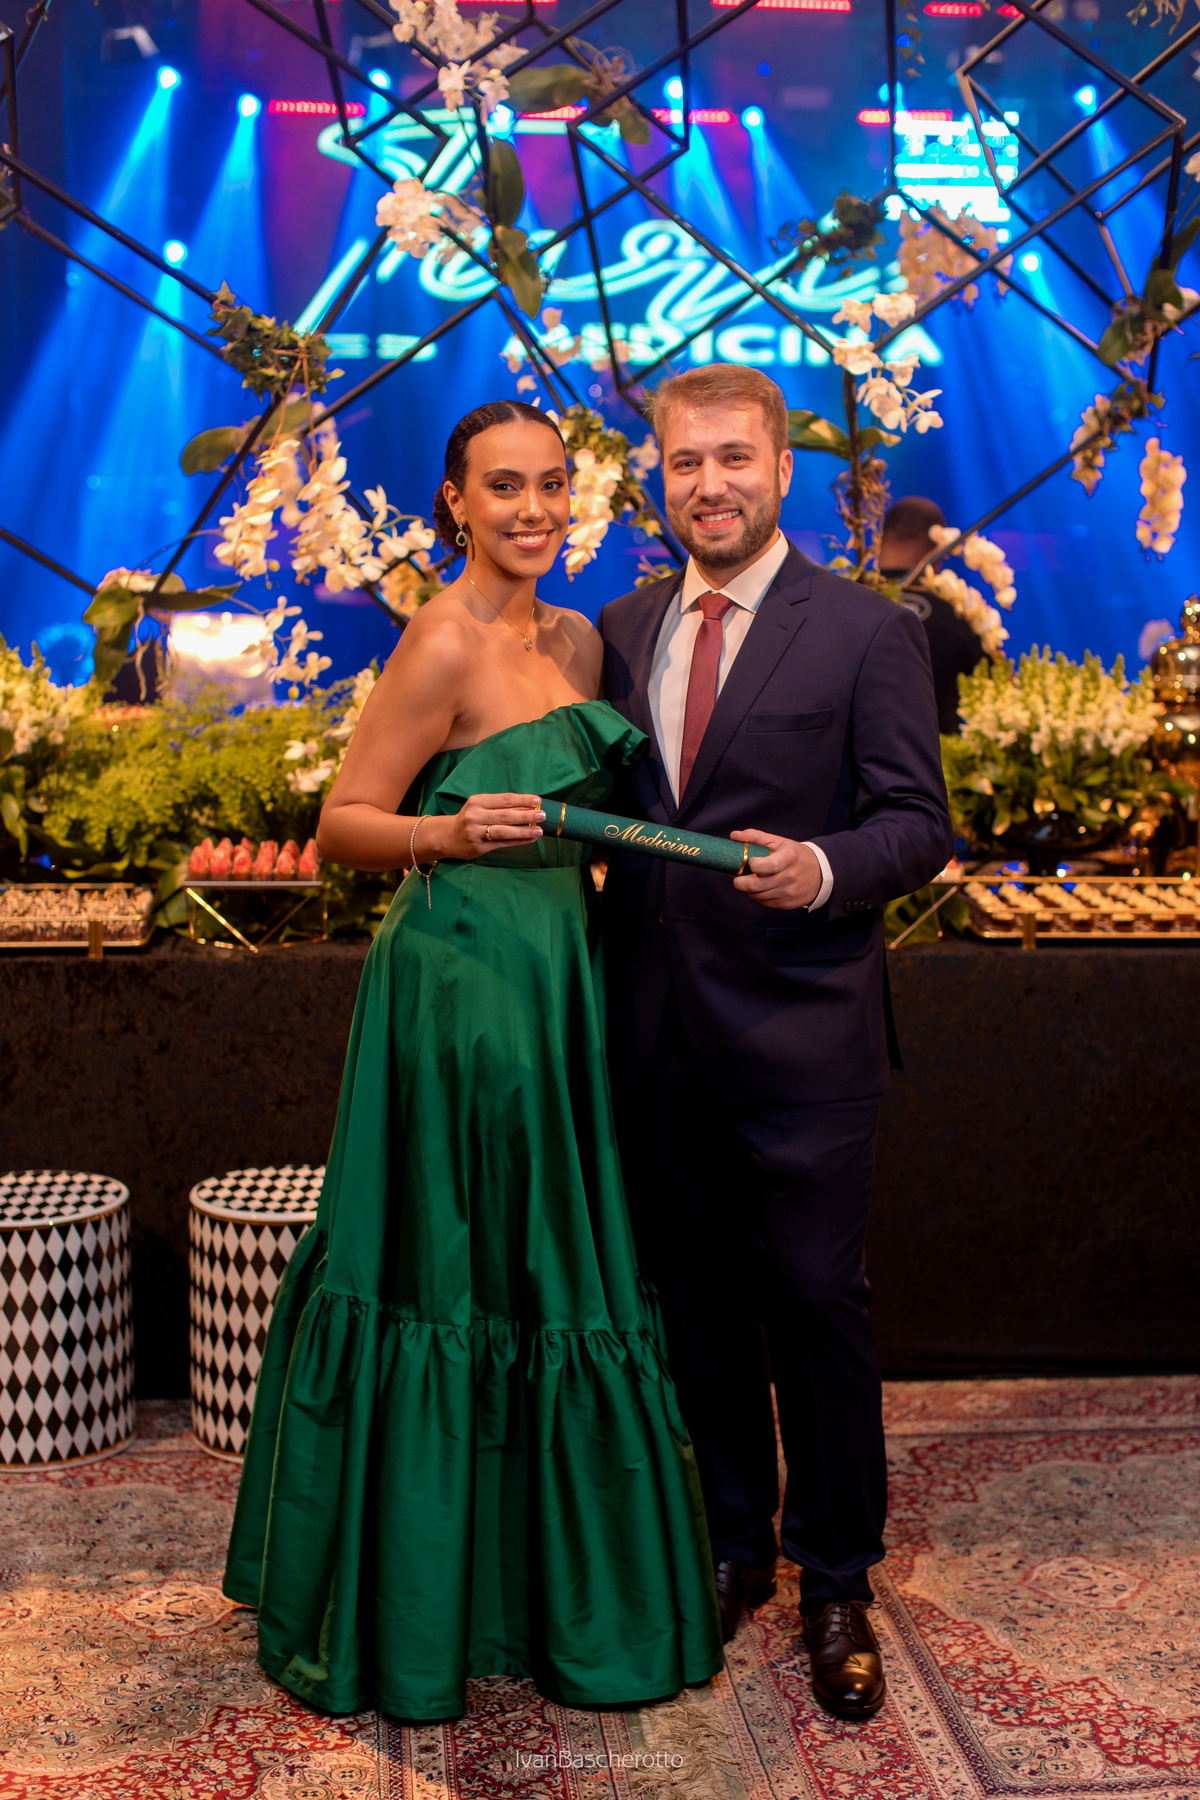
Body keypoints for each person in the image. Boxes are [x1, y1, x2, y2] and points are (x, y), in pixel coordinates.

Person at [223, 400, 723, 1721]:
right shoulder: (439, 638)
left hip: (561, 978)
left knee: (547, 1264)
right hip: (458, 987)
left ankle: (542, 1591)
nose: (534, 509)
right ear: (455, 501)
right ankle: (421, 1599)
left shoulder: (580, 637)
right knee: (456, 1266)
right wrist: (446, 834)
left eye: (552, 485)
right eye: (504, 487)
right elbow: (342, 825)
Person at [599, 366, 953, 1721]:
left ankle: (836, 1578)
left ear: (782, 469)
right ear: (659, 475)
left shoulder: (866, 631)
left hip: (804, 1037)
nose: (710, 485)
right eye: (685, 463)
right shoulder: (622, 627)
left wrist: (823, 866)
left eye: (733, 459)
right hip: (656, 1034)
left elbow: (917, 824)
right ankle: (735, 1541)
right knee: (697, 1306)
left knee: (814, 1305)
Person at [877, 495, 986, 735]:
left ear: (880, 539)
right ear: (940, 548)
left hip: (856, 756)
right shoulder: (960, 614)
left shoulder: (843, 605)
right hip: (943, 754)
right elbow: (990, 694)